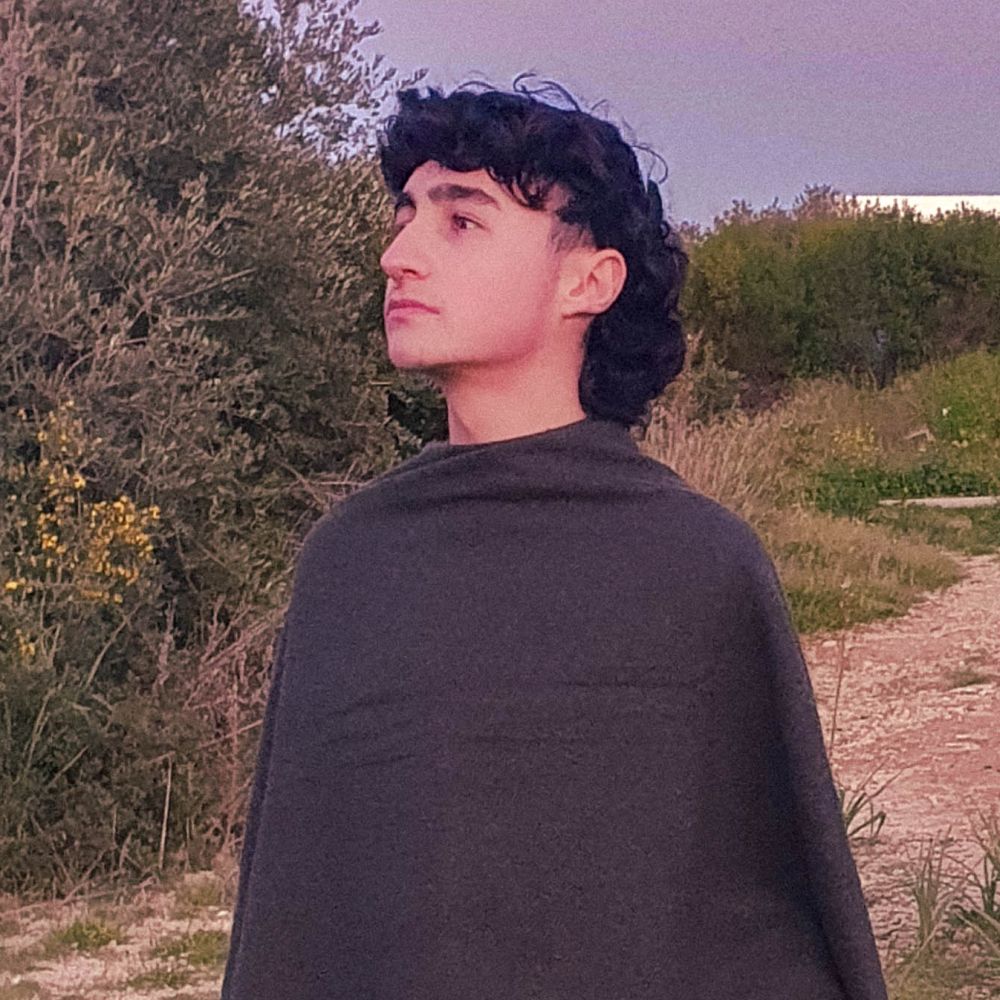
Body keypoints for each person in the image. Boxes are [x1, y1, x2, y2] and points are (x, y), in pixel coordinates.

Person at [222, 75, 888, 999]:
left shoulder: (701, 567)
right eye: (406, 216)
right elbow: (304, 919)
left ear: (590, 280)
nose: (398, 255)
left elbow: (759, 922)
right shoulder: (355, 560)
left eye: (461, 220)